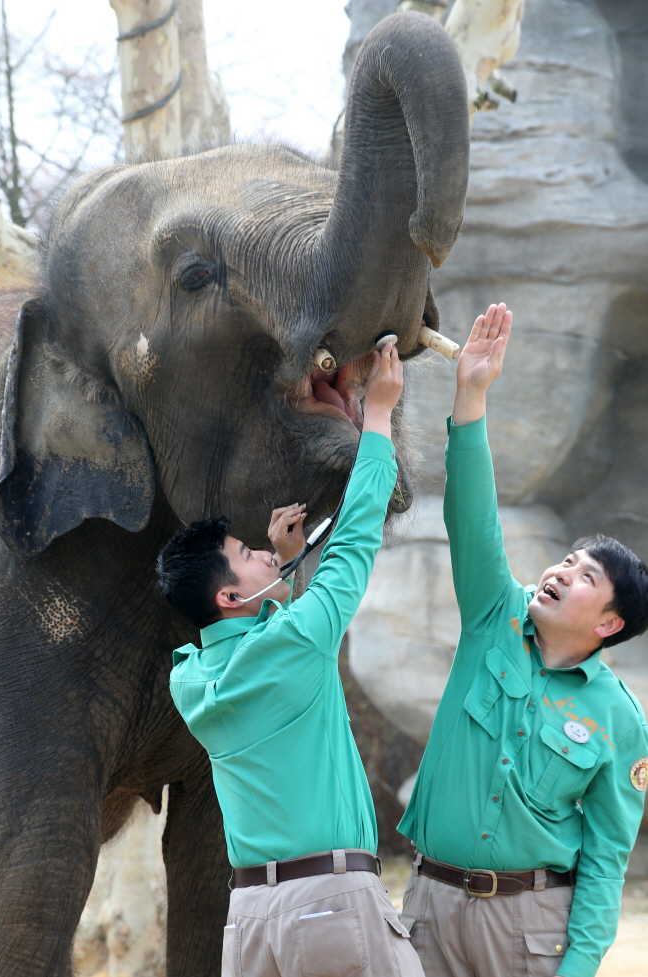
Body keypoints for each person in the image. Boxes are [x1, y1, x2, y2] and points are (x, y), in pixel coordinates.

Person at [157, 341, 423, 977]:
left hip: (250, 919)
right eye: (248, 554)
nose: (263, 554)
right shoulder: (291, 642)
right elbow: (355, 536)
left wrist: (284, 574)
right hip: (332, 904)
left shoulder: (189, 679)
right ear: (228, 596)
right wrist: (379, 417)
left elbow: (278, 655)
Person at [398, 303, 648, 977]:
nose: (561, 571)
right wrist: (471, 393)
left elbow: (604, 859)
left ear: (609, 623)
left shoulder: (620, 720)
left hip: (530, 932)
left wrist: (579, 966)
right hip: (429, 909)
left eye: (585, 575)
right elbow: (471, 517)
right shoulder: (493, 616)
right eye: (564, 560)